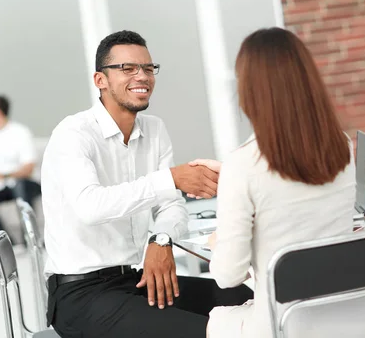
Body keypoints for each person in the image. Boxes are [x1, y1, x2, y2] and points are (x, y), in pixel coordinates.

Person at [41, 30, 253, 338]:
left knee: (247, 299)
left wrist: (161, 240)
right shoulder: (73, 134)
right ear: (100, 80)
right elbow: (90, 206)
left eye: (148, 68)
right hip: (82, 294)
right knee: (208, 333)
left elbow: (172, 205)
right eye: (127, 68)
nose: (142, 75)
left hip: (138, 280)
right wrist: (171, 178)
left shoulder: (154, 130)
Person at [199, 28, 365, 337]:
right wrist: (235, 182)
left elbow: (228, 275)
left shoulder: (242, 165)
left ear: (250, 91)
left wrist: (217, 241)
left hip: (292, 323)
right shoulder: (340, 146)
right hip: (361, 317)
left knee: (217, 321)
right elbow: (297, 193)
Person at [0, 95, 41, 235]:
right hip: (0, 187)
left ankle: (28, 237)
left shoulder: (20, 132)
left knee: (20, 186)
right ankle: (7, 242)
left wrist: (5, 175)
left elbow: (28, 168)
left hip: (25, 184)